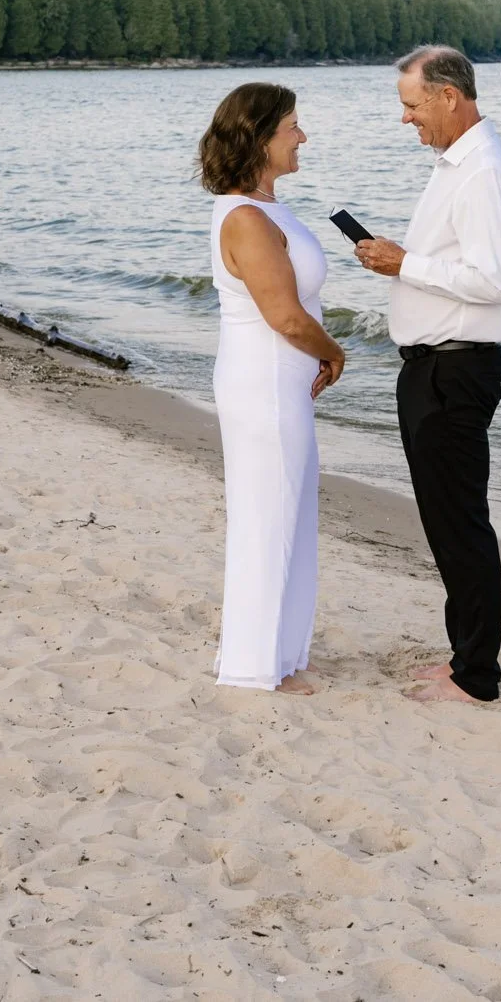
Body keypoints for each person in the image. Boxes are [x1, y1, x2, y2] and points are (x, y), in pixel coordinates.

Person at [354, 45, 501, 703]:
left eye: (411, 104)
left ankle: (476, 676)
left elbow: (491, 282)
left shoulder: (485, 171)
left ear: (449, 96)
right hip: (434, 367)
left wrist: (406, 265)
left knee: (460, 524)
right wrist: (401, 263)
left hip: (459, 369)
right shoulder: (454, 167)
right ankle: (465, 659)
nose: (406, 119)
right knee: (446, 522)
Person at [199, 82, 345, 694]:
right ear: (260, 138)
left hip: (277, 384)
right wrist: (334, 352)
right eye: (292, 127)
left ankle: (279, 654)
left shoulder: (265, 209)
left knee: (289, 514)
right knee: (266, 520)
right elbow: (284, 316)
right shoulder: (246, 218)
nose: (302, 137)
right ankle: (254, 667)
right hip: (263, 385)